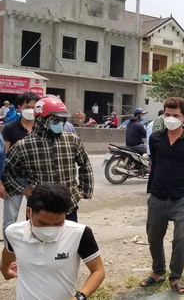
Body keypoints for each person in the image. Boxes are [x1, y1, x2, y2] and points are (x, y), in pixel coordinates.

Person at [1, 183, 105, 300]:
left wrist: (79, 297)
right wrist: (5, 270)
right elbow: (9, 250)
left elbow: (98, 271)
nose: (49, 229)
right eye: (43, 223)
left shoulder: (80, 234)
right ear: (29, 212)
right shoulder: (13, 232)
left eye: (57, 224)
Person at [141, 97, 184, 295]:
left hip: (180, 196)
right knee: (154, 237)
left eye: (175, 115)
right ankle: (158, 271)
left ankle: (175, 276)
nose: (171, 118)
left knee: (181, 238)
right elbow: (155, 163)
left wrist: (178, 181)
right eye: (167, 114)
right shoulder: (156, 138)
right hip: (158, 195)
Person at [1, 97, 94, 223]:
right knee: (38, 240)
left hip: (68, 204)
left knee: (68, 240)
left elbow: (85, 164)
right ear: (41, 119)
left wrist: (84, 190)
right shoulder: (24, 145)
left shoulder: (72, 140)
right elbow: (6, 170)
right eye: (55, 120)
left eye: (62, 120)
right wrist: (21, 188)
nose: (60, 123)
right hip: (39, 208)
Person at [1, 92, 41, 233]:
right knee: (10, 220)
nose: (31, 110)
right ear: (19, 108)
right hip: (14, 179)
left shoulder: (41, 128)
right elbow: (3, 157)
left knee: (36, 218)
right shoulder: (10, 128)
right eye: (27, 106)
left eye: (34, 107)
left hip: (36, 179)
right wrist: (1, 182)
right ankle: (10, 251)